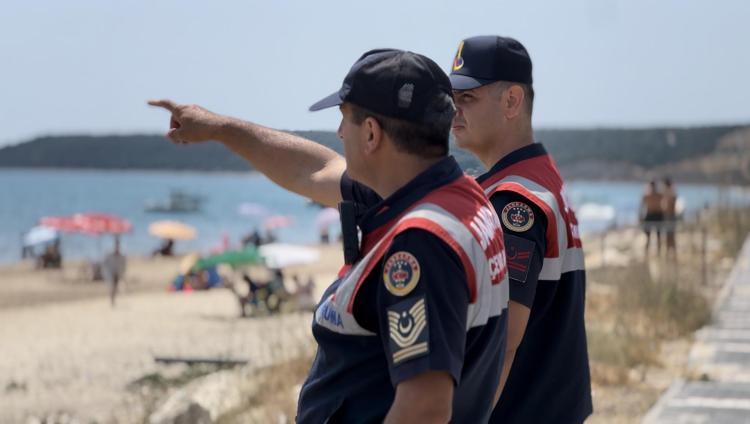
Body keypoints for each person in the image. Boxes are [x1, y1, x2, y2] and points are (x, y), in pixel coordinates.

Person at [149, 48, 509, 423]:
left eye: (344, 119)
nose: (338, 133)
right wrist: (219, 128)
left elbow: (424, 408)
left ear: (371, 133)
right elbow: (312, 169)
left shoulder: (422, 243)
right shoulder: (457, 197)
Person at [449, 36, 592, 423]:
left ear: (512, 101)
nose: (453, 110)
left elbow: (501, 342)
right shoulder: (541, 175)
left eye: (468, 97)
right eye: (451, 98)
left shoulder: (515, 199)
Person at [640, 180, 664, 258]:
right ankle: (646, 254)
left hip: (658, 215)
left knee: (658, 236)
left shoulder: (659, 195)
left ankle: (659, 254)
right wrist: (640, 217)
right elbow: (641, 206)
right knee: (648, 237)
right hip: (650, 215)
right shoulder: (647, 195)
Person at [102, 237, 127, 307]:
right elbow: (105, 262)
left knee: (115, 287)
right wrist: (105, 272)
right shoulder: (109, 253)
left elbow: (123, 265)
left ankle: (113, 300)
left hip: (117, 273)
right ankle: (112, 300)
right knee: (111, 287)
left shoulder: (121, 254)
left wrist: (122, 274)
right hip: (110, 272)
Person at [662, 177, 678, 259]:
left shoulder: (671, 192)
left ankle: (673, 255)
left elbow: (671, 203)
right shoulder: (670, 192)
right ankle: (668, 254)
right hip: (668, 216)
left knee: (671, 236)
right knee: (668, 236)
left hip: (671, 216)